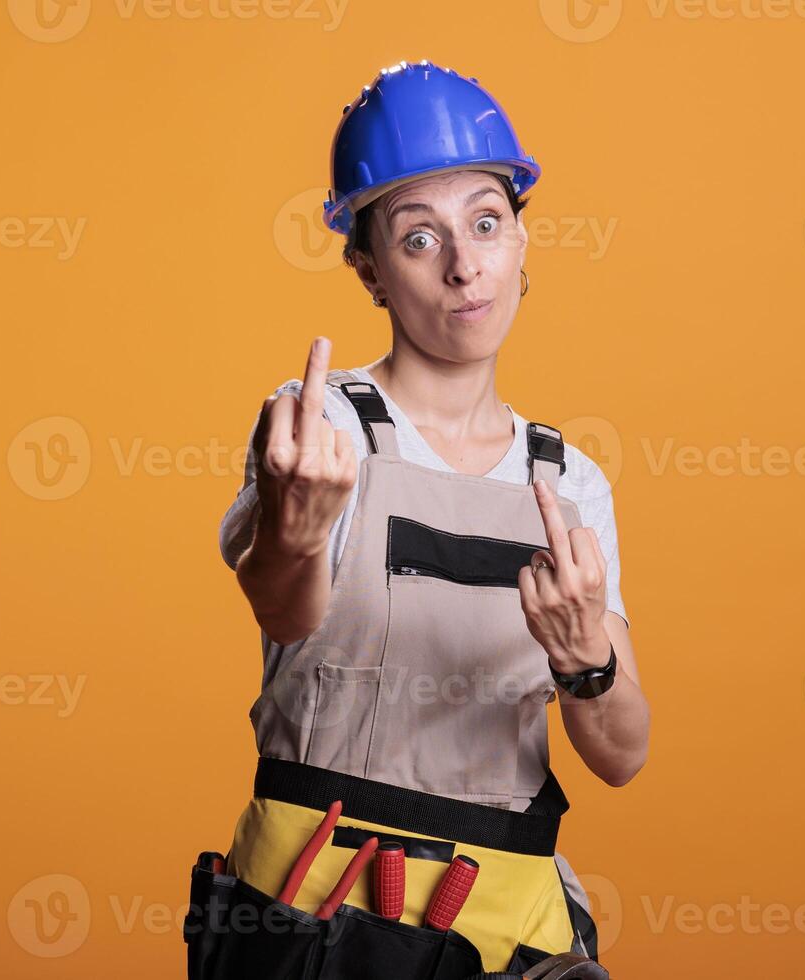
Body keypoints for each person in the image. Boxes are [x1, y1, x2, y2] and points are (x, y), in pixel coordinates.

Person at [186, 60, 650, 980]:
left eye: (486, 222)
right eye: (417, 237)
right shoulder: (321, 426)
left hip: (504, 923)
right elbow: (282, 612)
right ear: (369, 268)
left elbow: (622, 754)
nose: (464, 264)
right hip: (313, 915)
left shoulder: (569, 482)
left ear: (521, 241)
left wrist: (581, 656)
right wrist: (297, 528)